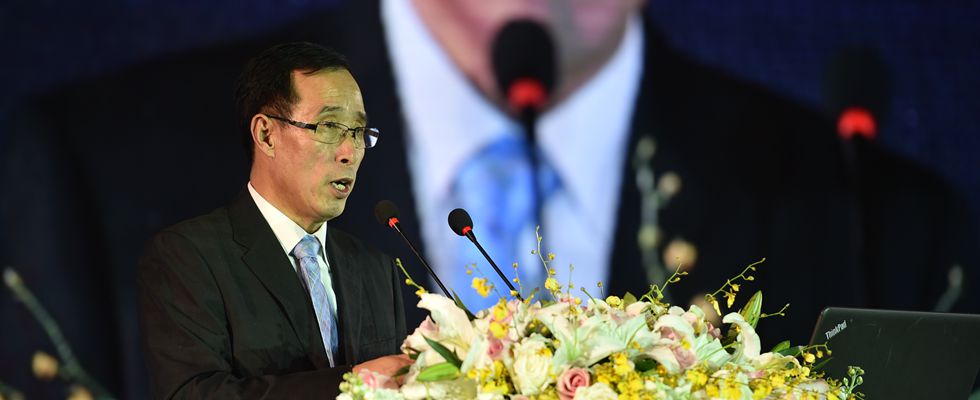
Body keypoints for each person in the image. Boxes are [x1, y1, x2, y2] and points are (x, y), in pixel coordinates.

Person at [136, 42, 412, 399]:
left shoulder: (375, 269)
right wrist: (352, 382)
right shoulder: (188, 258)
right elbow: (193, 394)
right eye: (329, 126)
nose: (349, 152)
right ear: (266, 135)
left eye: (358, 132)